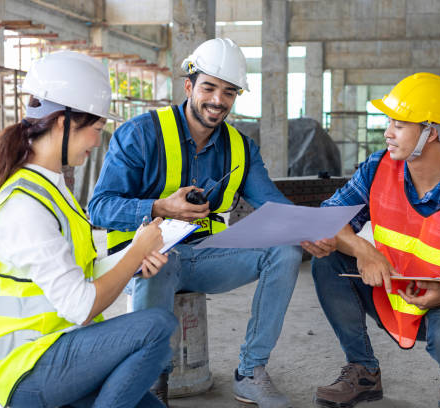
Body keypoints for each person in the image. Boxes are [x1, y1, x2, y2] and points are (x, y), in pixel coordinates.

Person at [88, 38, 302, 408]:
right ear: (188, 86)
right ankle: (151, 378)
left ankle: (251, 372)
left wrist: (318, 230)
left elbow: (274, 206)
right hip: (142, 259)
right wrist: (157, 208)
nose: (218, 100)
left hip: (205, 258)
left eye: (229, 92)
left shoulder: (241, 149)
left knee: (285, 249)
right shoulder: (141, 134)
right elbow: (99, 208)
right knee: (160, 260)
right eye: (209, 87)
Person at [0, 51, 177, 408]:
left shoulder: (51, 185)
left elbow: (80, 271)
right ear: (65, 123)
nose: (98, 142)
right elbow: (81, 305)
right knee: (158, 325)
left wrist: (132, 257)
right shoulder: (24, 205)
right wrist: (137, 253)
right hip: (27, 369)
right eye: (96, 130)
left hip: (60, 348)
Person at [301, 73, 440, 408]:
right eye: (389, 122)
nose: (387, 132)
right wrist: (362, 250)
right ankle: (363, 371)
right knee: (328, 260)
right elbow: (329, 218)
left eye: (399, 124)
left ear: (431, 132)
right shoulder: (377, 167)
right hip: (390, 290)